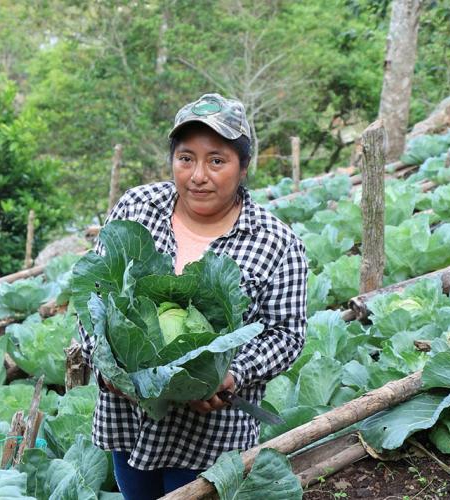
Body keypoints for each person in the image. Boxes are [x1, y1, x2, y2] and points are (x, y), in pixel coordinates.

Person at [80, 93, 308, 499]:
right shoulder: (137, 208)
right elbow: (94, 297)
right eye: (186, 158)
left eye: (216, 161)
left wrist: (231, 373)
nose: (198, 175)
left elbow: (287, 334)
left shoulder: (276, 242)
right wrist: (108, 368)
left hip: (210, 435)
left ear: (243, 167)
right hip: (128, 420)